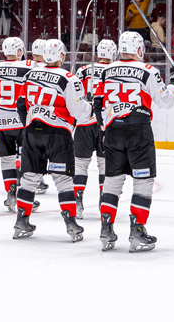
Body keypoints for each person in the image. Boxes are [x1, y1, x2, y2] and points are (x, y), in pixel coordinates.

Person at [93, 30, 174, 252]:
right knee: (143, 181)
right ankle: (137, 230)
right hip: (138, 131)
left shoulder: (106, 71)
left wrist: (105, 126)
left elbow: (98, 102)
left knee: (112, 181)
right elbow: (165, 101)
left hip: (113, 130)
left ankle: (106, 228)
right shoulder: (148, 71)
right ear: (138, 49)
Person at [13, 39, 88, 242]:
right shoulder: (69, 78)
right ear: (61, 56)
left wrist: (27, 125)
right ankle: (71, 224)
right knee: (63, 180)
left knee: (29, 178)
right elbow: (77, 110)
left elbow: (20, 104)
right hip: (58, 134)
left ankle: (21, 221)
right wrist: (88, 106)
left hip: (32, 132)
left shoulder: (29, 75)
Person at [0, 37, 33, 210]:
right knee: (25, 158)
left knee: (6, 160)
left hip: (0, 122)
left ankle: (11, 193)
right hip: (21, 121)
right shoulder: (29, 67)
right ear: (19, 51)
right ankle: (23, 196)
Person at [74, 39, 116, 218]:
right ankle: (103, 200)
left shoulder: (83, 70)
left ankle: (77, 201)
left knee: (80, 164)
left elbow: (74, 95)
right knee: (104, 164)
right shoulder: (115, 71)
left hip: (84, 122)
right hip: (105, 123)